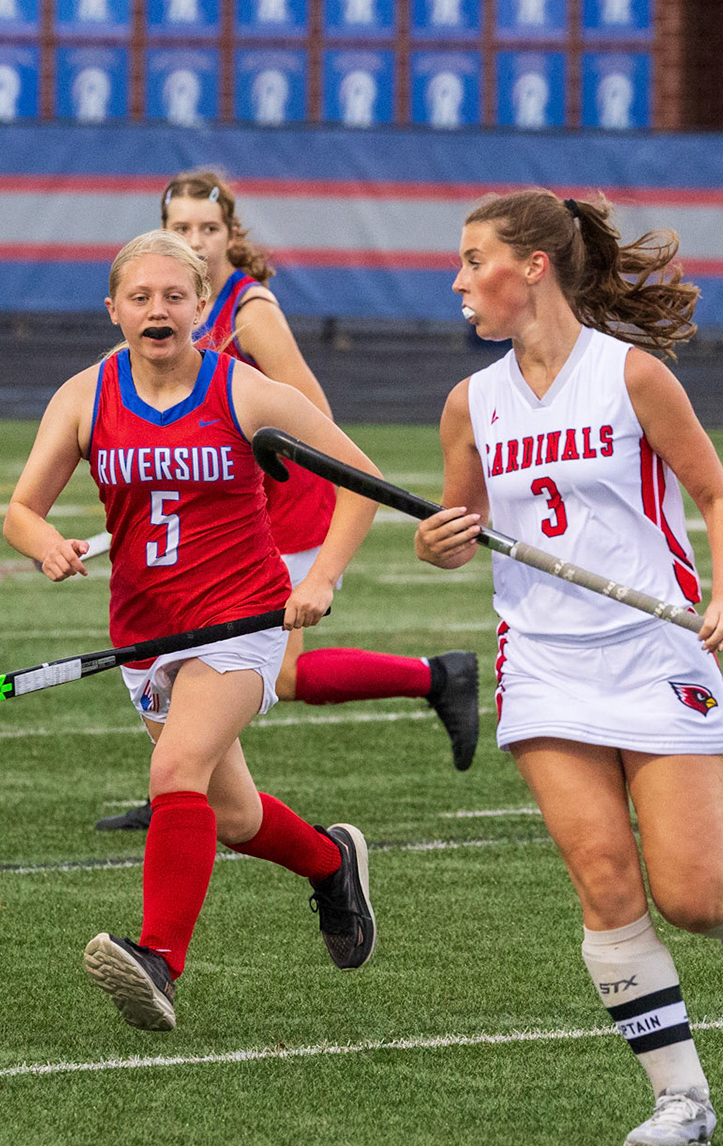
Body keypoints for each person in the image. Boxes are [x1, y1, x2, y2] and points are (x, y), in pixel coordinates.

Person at [414, 190, 723, 1146]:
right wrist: (439, 543)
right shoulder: (471, 402)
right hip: (543, 664)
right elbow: (462, 528)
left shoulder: (631, 377)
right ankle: (682, 1101)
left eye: (473, 260)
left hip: (657, 651)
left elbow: (718, 497)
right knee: (607, 884)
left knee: (690, 898)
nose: (458, 280)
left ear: (532, 265)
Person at [5, 230, 381, 1031]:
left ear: (202, 308)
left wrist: (319, 578)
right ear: (113, 309)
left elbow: (363, 480)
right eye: (140, 297)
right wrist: (45, 544)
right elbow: (21, 511)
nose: (158, 310)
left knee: (175, 768)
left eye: (175, 296)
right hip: (143, 633)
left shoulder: (244, 391)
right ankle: (331, 862)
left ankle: (158, 960)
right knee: (234, 817)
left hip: (242, 619)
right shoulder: (85, 397)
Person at [95, 170, 479, 833]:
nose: (197, 240)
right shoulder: (167, 301)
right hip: (224, 503)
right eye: (182, 228)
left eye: (209, 229)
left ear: (230, 233)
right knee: (216, 648)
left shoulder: (248, 309)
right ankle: (182, 786)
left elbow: (313, 412)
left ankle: (437, 677)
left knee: (279, 672)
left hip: (279, 506)